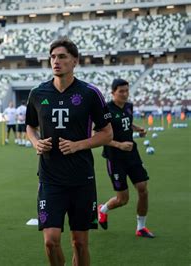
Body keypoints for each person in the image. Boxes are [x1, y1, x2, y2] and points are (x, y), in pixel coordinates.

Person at [25, 37, 113, 266]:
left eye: (62, 56)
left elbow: (107, 133)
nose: (56, 61)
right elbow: (30, 127)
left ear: (75, 61)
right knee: (50, 241)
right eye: (53, 57)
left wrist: (78, 145)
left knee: (79, 243)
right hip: (49, 177)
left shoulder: (89, 93)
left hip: (81, 178)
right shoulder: (37, 93)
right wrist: (35, 143)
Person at [98, 78, 154, 238]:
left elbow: (126, 123)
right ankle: (102, 209)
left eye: (126, 91)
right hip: (114, 158)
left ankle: (141, 227)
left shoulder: (129, 106)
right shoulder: (106, 110)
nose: (124, 94)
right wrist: (118, 145)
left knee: (143, 189)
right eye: (121, 91)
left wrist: (138, 129)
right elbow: (98, 135)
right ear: (113, 93)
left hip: (132, 155)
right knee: (123, 199)